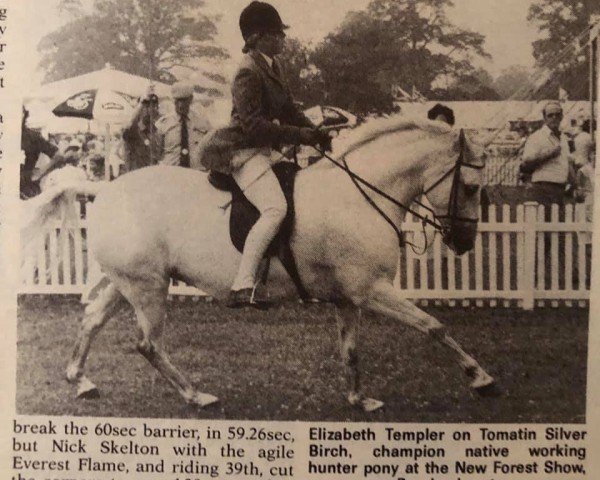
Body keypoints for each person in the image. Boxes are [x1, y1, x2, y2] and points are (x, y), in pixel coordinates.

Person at [199, 1, 330, 308]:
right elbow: (253, 126)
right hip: (242, 151)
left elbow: (287, 109)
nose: (282, 38)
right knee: (275, 208)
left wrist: (316, 132)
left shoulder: (272, 65)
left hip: (263, 150)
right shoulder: (247, 71)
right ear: (257, 36)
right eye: (276, 33)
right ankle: (243, 285)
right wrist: (301, 136)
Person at [520, 101, 570, 208]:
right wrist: (548, 154)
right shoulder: (536, 137)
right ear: (544, 118)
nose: (554, 118)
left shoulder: (564, 138)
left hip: (561, 187)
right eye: (550, 115)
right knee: (546, 222)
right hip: (543, 187)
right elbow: (526, 163)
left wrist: (575, 185)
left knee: (559, 222)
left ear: (562, 116)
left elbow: (567, 162)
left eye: (557, 115)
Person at [157, 81, 211, 167]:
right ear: (173, 100)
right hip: (171, 173)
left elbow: (209, 151)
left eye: (184, 100)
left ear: (191, 99)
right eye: (177, 101)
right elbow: (156, 154)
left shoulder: (203, 123)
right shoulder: (163, 123)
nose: (180, 105)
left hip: (194, 174)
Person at [20, 107, 59, 198]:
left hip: (26, 190)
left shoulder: (32, 137)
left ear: (24, 115)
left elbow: (58, 155)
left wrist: (40, 173)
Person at [122, 87, 162, 172]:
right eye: (146, 106)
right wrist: (141, 104)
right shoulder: (134, 129)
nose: (150, 110)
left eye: (154, 106)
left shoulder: (158, 129)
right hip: (137, 175)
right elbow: (128, 128)